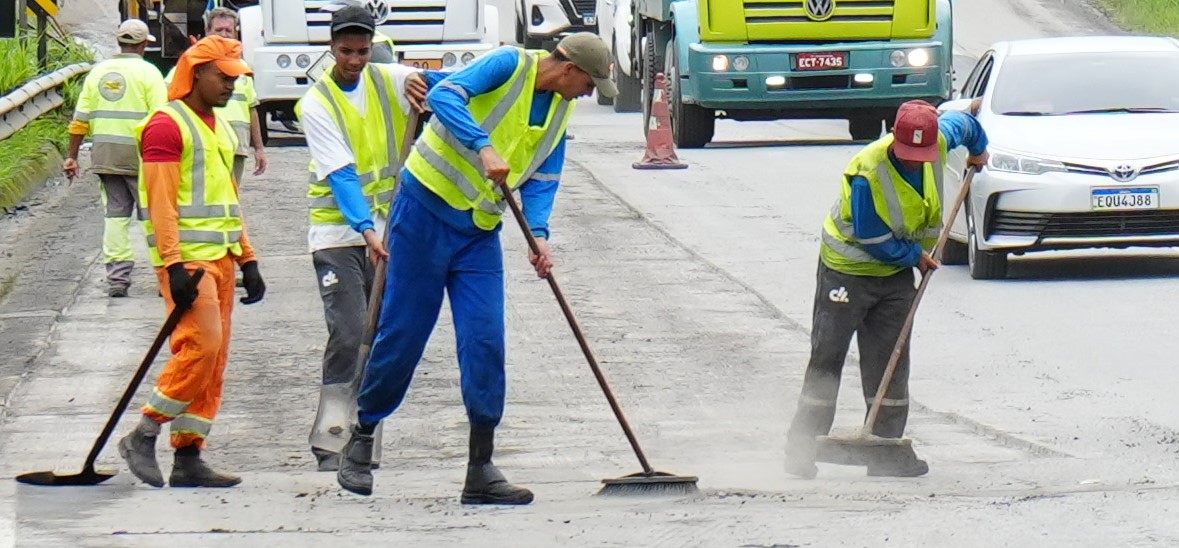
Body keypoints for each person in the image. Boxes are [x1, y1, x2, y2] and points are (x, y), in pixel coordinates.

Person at [334, 31, 618, 503]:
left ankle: (480, 468)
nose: (589, 94)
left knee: (485, 340)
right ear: (568, 69)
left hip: (479, 232)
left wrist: (539, 235)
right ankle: (361, 437)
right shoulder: (508, 64)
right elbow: (446, 93)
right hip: (423, 213)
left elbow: (545, 176)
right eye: (589, 84)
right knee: (404, 334)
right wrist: (482, 146)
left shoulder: (561, 109)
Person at [783, 100, 989, 479]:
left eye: (921, 155)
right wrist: (915, 256)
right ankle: (801, 449)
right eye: (909, 155)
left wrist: (979, 150)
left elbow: (968, 126)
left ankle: (884, 450)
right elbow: (871, 234)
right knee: (827, 357)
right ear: (893, 138)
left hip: (894, 278)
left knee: (890, 360)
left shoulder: (938, 138)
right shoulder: (868, 171)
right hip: (848, 272)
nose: (915, 162)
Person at [295, 5, 442, 472]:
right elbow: (340, 175)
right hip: (339, 235)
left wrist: (430, 89)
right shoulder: (316, 103)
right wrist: (364, 229)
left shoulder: (390, 79)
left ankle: (362, 439)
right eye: (345, 51)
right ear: (331, 48)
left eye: (361, 51)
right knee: (349, 333)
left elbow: (455, 86)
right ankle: (330, 438)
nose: (354, 60)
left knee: (377, 337)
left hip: (385, 229)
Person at [117, 35, 266, 489]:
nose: (231, 86)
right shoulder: (165, 126)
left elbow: (227, 198)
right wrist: (173, 265)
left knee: (214, 359)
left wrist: (248, 258)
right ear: (195, 72)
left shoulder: (218, 125)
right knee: (200, 349)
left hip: (219, 259)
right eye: (223, 76)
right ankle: (144, 431)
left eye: (236, 78)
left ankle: (189, 456)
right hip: (189, 263)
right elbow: (160, 204)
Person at [64, 19, 167, 297]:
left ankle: (118, 278)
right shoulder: (150, 74)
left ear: (119, 42)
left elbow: (79, 122)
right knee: (153, 218)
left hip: (106, 156)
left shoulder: (98, 73)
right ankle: (164, 276)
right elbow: (162, 119)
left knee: (115, 217)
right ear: (144, 44)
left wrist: (72, 157)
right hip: (142, 158)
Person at [165, 7, 267, 184]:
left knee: (230, 197)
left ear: (236, 33)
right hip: (204, 144)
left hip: (237, 147)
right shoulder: (190, 65)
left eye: (229, 30)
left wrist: (259, 148)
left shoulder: (243, 69)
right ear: (207, 32)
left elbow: (252, 109)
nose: (224, 35)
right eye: (219, 30)